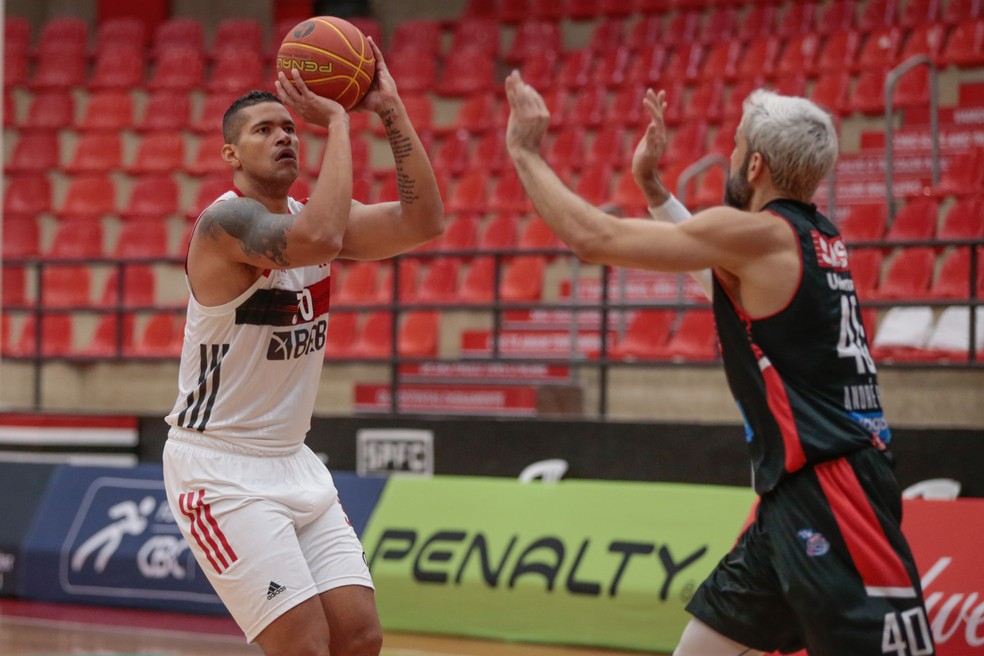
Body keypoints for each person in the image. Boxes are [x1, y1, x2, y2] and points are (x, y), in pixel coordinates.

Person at [504, 70, 935, 656]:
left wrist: (524, 152)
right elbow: (712, 275)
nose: (729, 156)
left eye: (734, 145)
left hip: (835, 492)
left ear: (754, 166)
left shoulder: (762, 236)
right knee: (702, 648)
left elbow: (592, 237)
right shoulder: (809, 240)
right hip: (795, 492)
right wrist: (654, 188)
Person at [162, 38, 444, 656]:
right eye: (266, 129)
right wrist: (341, 119)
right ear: (231, 153)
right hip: (219, 469)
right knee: (305, 647)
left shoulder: (313, 220)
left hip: (293, 459)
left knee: (360, 638)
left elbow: (425, 222)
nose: (286, 135)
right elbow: (318, 235)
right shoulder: (225, 225)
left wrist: (389, 110)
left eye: (292, 127)